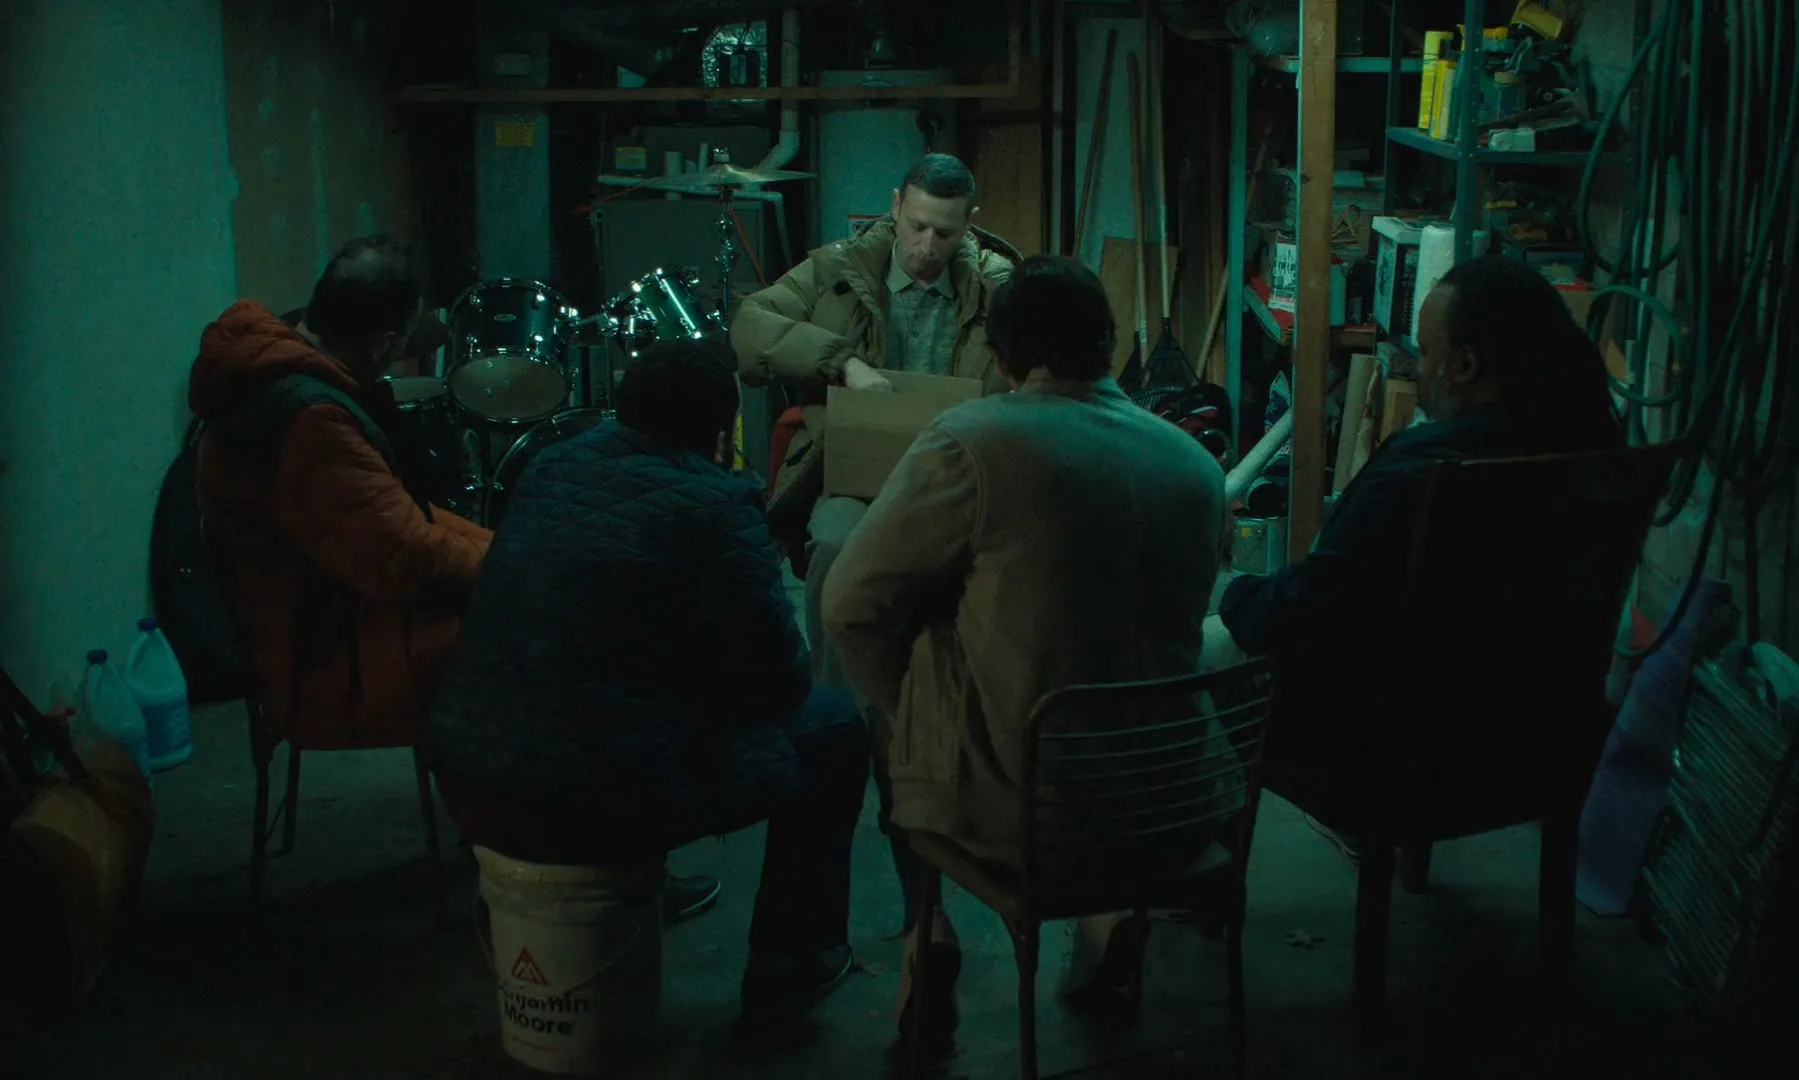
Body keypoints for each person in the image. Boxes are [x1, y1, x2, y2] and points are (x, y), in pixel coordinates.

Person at [820, 255, 1235, 1053]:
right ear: (1109, 344)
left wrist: (907, 709)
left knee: (903, 673)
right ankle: (1107, 918)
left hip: (1032, 817)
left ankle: (927, 930)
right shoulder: (1193, 463)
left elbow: (849, 607)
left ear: (1004, 357)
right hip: (1176, 804)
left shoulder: (973, 439)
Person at [422, 339, 871, 1020]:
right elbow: (778, 680)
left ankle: (646, 882)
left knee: (620, 693)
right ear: (719, 430)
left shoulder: (549, 467)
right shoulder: (719, 504)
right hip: (591, 790)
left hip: (473, 761)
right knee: (832, 725)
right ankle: (791, 959)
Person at [1216, 255, 1625, 859]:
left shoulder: (1421, 469)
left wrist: (1236, 598)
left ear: (1464, 366)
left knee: (1196, 657)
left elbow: (1308, 611)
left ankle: (1196, 874)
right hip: (1543, 746)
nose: (1421, 367)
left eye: (1429, 353)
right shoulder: (1598, 453)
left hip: (1401, 762)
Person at [729, 151, 1022, 934]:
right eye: (917, 226)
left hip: (950, 480)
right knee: (834, 550)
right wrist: (843, 363)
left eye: (945, 234)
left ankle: (959, 741)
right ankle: (840, 723)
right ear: (895, 206)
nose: (926, 246)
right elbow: (749, 327)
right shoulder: (838, 271)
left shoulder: (994, 283)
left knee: (990, 571)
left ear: (969, 225)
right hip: (855, 476)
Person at [190, 235, 493, 756]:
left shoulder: (274, 373)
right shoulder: (311, 422)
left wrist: (501, 548)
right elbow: (405, 557)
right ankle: (499, 800)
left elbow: (398, 518)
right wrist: (511, 566)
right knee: (534, 634)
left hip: (324, 609)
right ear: (381, 345)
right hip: (326, 660)